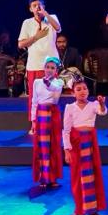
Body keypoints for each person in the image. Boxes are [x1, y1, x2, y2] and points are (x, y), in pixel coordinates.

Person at [62, 79, 108, 215]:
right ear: (73, 93)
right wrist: (67, 150)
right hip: (76, 145)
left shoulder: (93, 105)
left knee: (92, 175)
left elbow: (102, 112)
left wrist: (102, 104)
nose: (82, 91)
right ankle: (79, 208)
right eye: (78, 89)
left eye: (84, 88)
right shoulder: (70, 107)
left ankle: (93, 209)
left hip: (89, 143)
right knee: (77, 177)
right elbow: (66, 131)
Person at [29, 57, 70, 189]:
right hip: (41, 115)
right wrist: (33, 121)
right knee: (42, 147)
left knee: (53, 145)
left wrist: (47, 82)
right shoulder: (37, 82)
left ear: (56, 70)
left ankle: (52, 178)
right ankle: (43, 177)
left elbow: (54, 90)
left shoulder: (59, 82)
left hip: (53, 114)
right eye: (47, 67)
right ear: (44, 68)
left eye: (52, 68)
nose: (49, 70)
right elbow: (34, 102)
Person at [18, 0, 63, 100]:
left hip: (51, 65)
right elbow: (20, 44)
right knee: (35, 98)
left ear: (44, 6)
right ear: (30, 9)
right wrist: (36, 37)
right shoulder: (27, 22)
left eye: (40, 5)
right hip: (34, 65)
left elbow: (58, 28)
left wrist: (45, 13)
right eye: (34, 5)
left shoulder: (52, 17)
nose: (37, 7)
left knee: (51, 96)